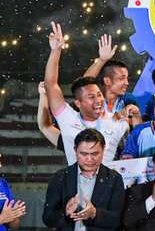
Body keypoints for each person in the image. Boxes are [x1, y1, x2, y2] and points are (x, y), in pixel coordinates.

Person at [44, 22, 129, 163]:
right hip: (77, 183)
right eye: (91, 97)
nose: (98, 100)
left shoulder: (116, 121)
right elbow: (51, 85)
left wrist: (101, 61)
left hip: (108, 183)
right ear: (78, 103)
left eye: (99, 95)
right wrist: (56, 51)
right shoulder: (68, 118)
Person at [80, 34, 133, 116]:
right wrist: (102, 60)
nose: (127, 83)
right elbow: (84, 84)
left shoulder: (128, 100)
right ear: (107, 81)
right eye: (122, 78)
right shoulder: (94, 99)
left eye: (127, 78)